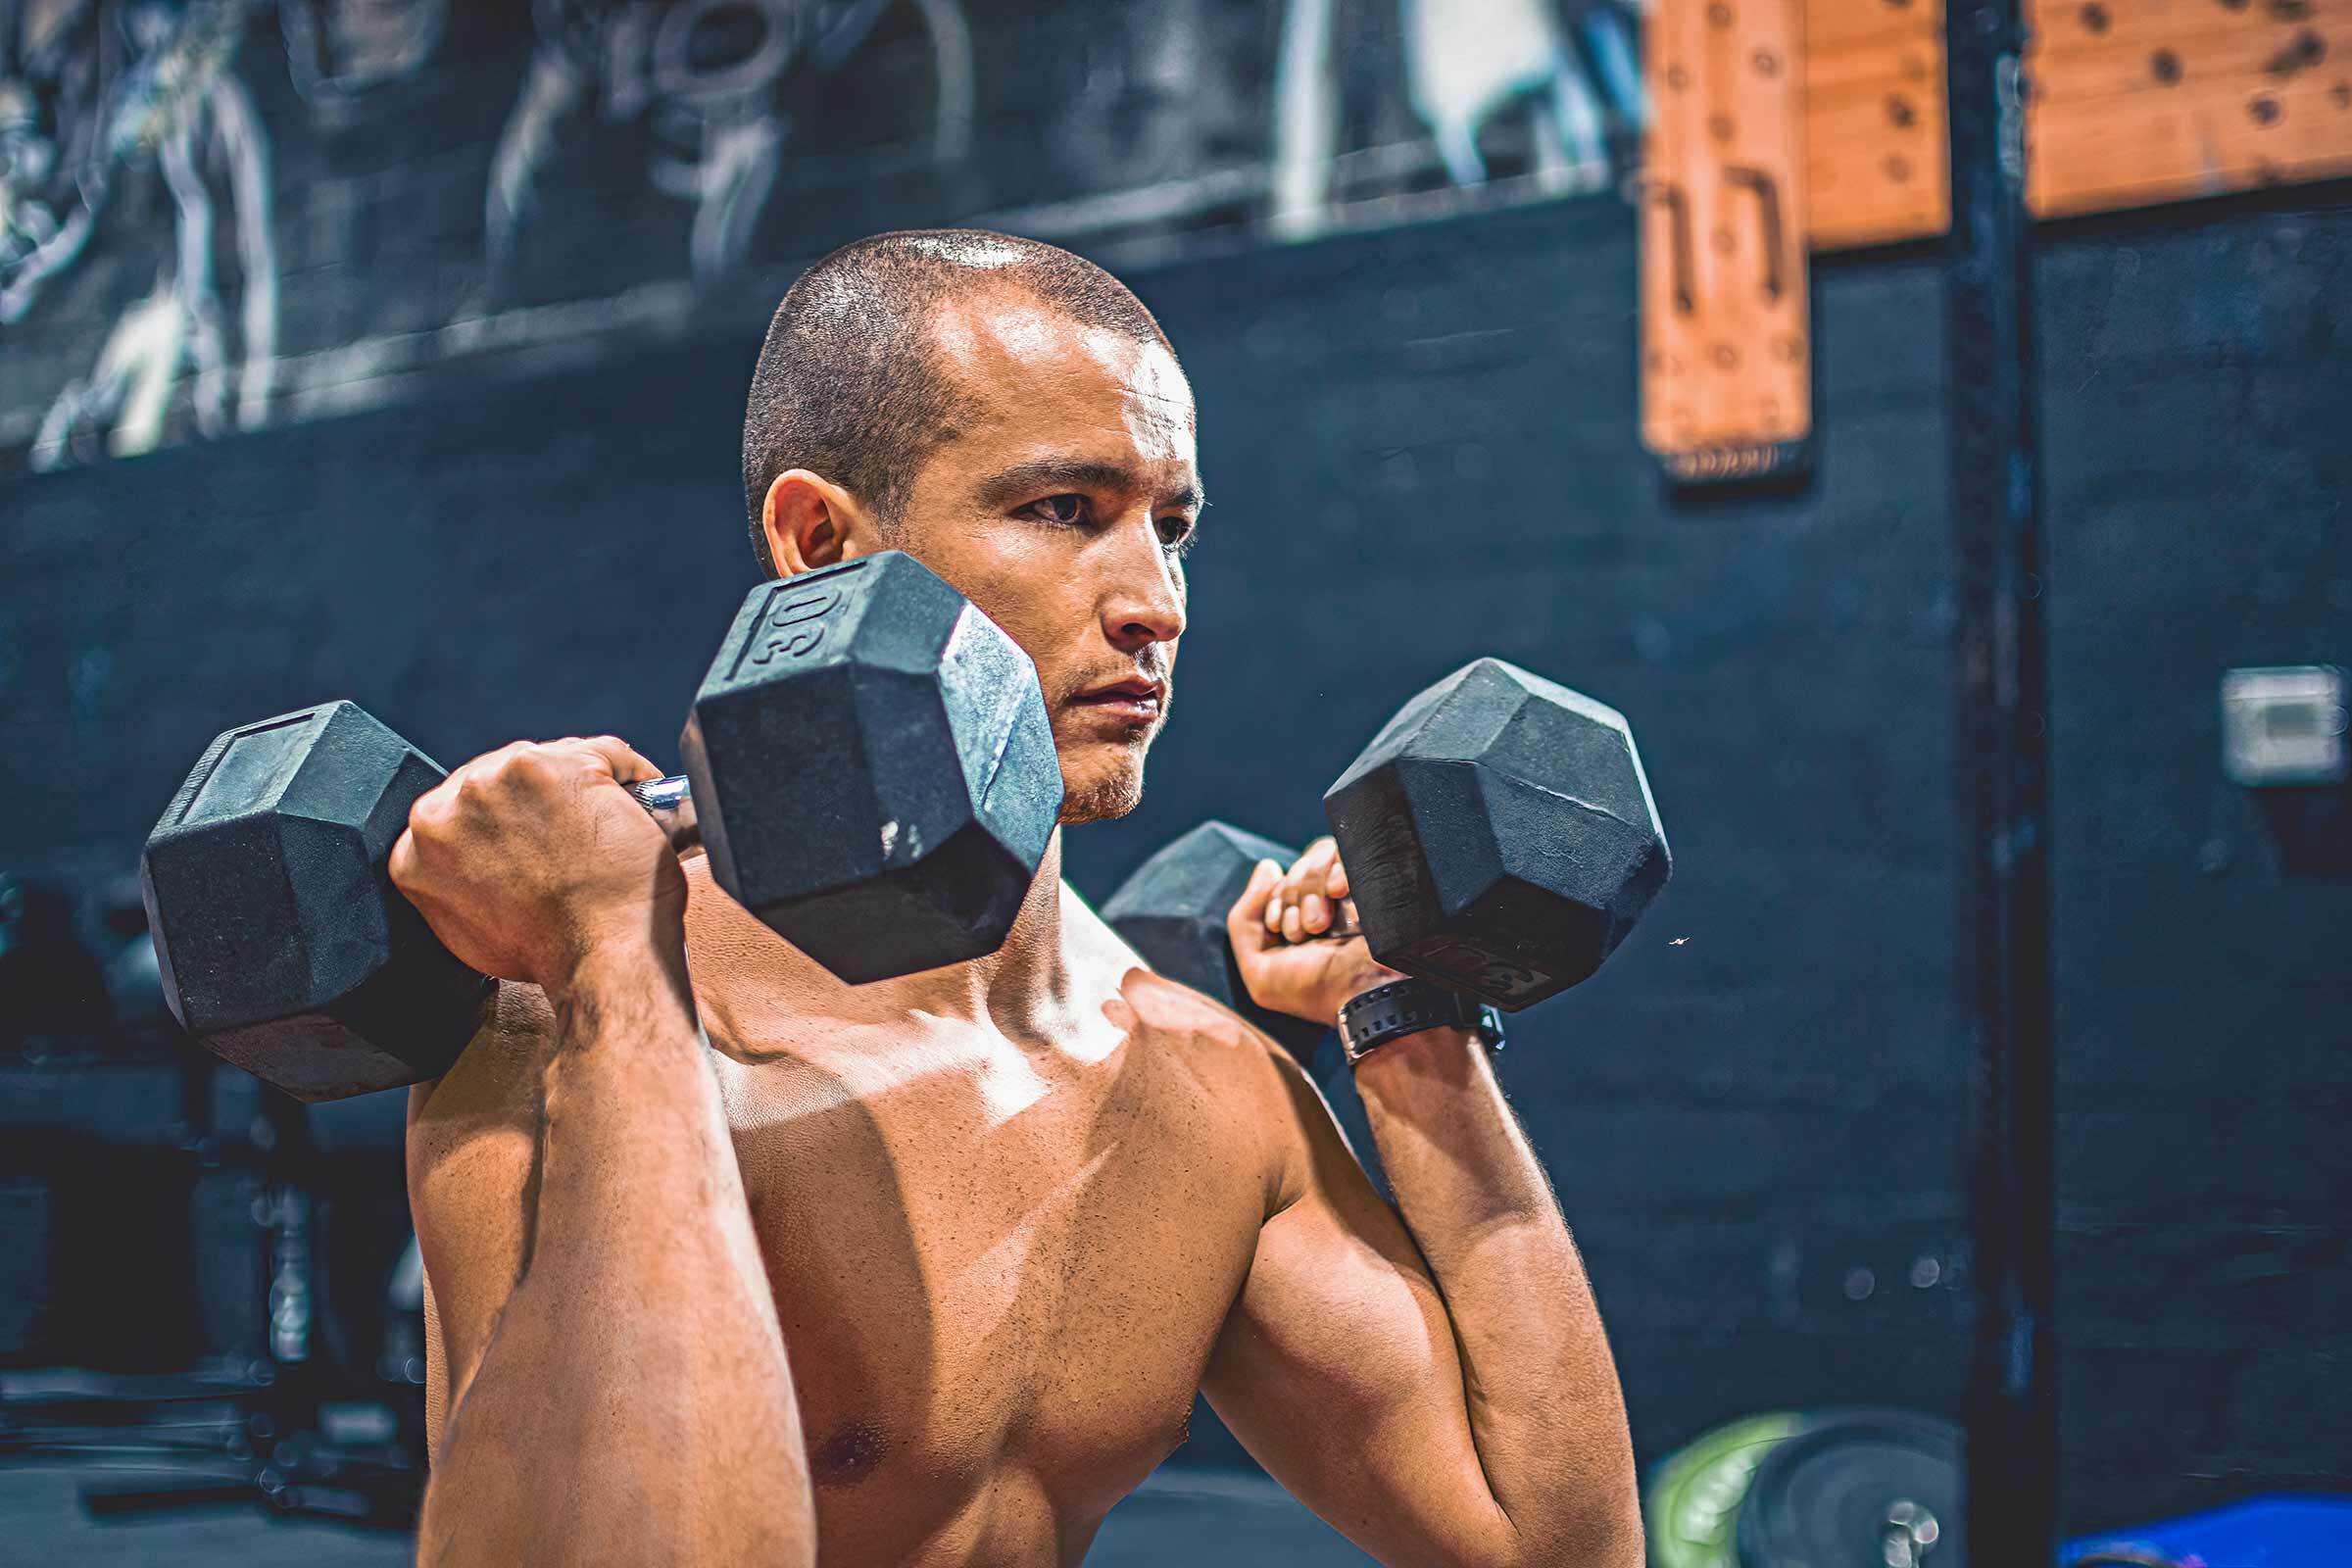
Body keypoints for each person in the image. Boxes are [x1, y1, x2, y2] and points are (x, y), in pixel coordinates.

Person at [392, 228, 1640, 1568]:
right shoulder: (562, 1026)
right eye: (1063, 512)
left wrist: (1411, 1021)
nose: (1154, 601)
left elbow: (1558, 1552)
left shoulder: (1203, 1083)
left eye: (1172, 528)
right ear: (822, 543)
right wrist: (609, 962)